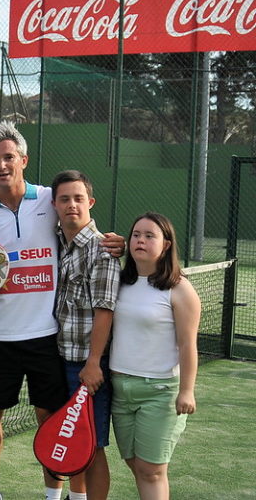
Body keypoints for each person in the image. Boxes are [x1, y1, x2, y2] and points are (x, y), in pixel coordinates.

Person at [0, 121, 124, 500]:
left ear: (23, 160)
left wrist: (112, 240)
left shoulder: (50, 198)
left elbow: (80, 218)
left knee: (53, 421)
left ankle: (57, 496)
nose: (2, 165)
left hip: (46, 339)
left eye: (9, 157)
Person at [110, 212, 200, 500]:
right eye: (136, 235)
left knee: (152, 470)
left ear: (166, 244)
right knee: (135, 464)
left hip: (160, 392)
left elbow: (188, 345)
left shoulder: (180, 289)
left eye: (150, 236)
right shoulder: (118, 281)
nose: (141, 240)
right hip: (119, 389)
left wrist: (186, 391)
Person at [51, 170, 121, 500]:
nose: (72, 205)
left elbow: (104, 310)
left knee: (92, 446)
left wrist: (93, 363)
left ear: (90, 202)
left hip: (86, 367)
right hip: (57, 360)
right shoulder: (55, 243)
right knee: (67, 442)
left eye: (78, 199)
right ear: (54, 204)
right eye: (64, 199)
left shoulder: (102, 250)